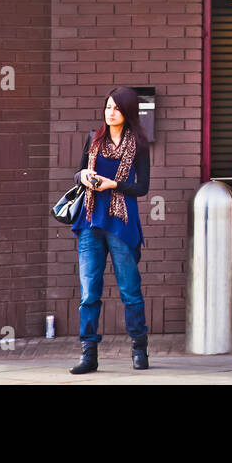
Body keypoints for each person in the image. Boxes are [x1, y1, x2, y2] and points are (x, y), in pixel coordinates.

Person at [69, 86, 151, 374]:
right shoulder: (93, 139)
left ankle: (139, 349)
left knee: (130, 290)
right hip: (91, 221)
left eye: (116, 108)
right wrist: (85, 176)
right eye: (107, 107)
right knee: (89, 292)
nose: (110, 112)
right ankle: (88, 354)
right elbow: (77, 173)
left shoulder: (138, 145)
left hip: (121, 224)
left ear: (127, 112)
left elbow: (142, 187)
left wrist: (113, 184)